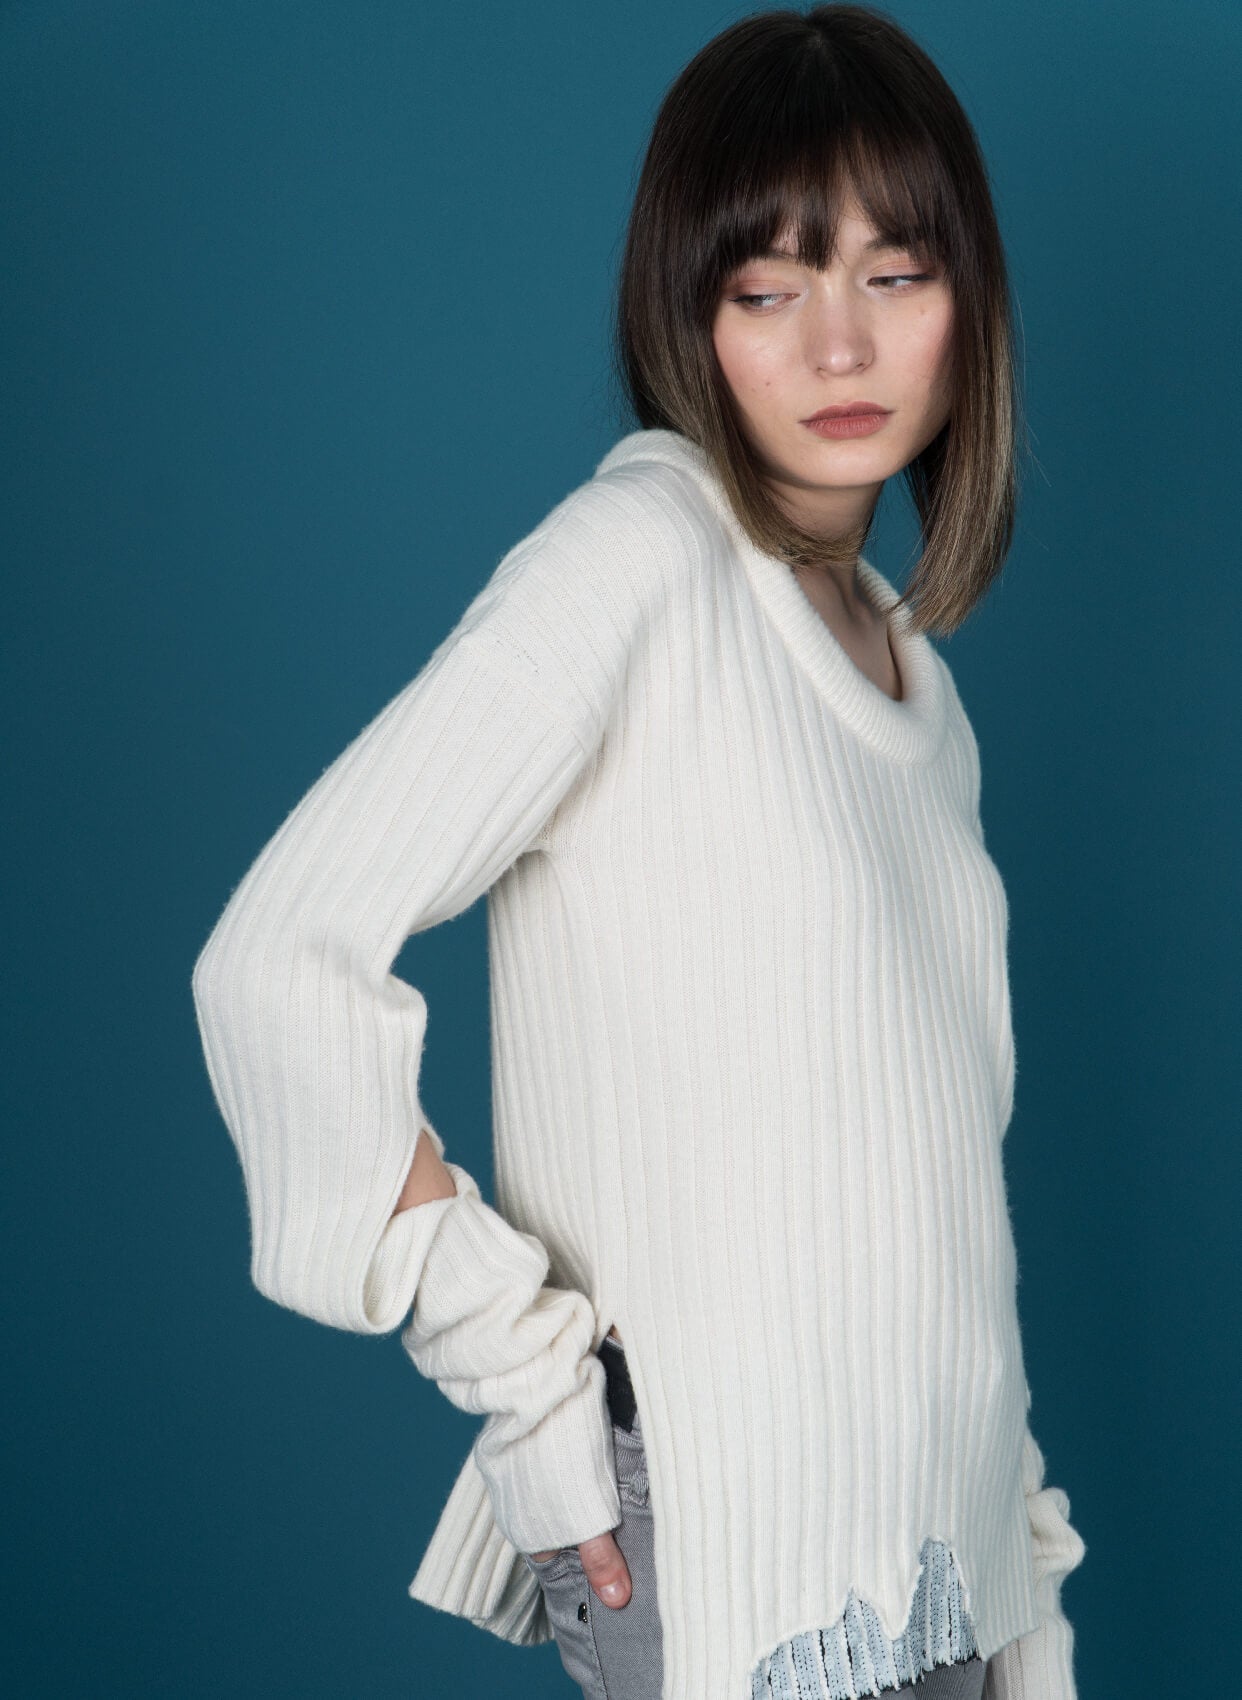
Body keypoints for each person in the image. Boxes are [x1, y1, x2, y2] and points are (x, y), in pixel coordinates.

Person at [190, 5, 1088, 1698]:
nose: (839, 346)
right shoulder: (642, 558)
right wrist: (528, 1385)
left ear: (965, 304)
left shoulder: (918, 688)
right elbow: (275, 964)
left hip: (947, 1568)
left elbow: (934, 1206)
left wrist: (1024, 1612)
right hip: (741, 1569)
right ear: (689, 314)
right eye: (767, 290)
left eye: (894, 275)